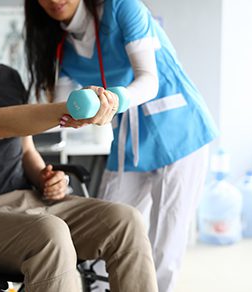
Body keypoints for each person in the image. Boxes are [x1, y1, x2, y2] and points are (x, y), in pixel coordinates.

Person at [0, 0, 159, 291]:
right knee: (50, 233)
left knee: (125, 220)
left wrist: (46, 176)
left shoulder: (9, 78)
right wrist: (68, 109)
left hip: (31, 203)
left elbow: (25, 150)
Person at [23, 0, 219, 291]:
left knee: (163, 249)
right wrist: (8, 122)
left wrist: (114, 101)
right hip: (129, 140)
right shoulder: (62, 44)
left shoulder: (122, 7)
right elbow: (61, 111)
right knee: (104, 228)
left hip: (179, 132)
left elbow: (149, 81)